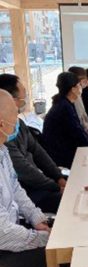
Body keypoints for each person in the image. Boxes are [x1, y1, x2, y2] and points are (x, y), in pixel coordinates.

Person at [0, 89, 68, 267]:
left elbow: (17, 190)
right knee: (65, 259)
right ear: (1, 125)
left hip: (16, 229)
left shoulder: (2, 150)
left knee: (65, 231)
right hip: (4, 252)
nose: (17, 125)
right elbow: (2, 233)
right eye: (14, 120)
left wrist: (37, 218)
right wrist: (41, 238)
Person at [0, 74, 65, 214]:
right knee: (69, 203)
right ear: (9, 101)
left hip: (40, 186)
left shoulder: (19, 124)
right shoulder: (4, 138)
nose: (26, 101)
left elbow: (38, 151)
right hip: (31, 193)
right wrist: (55, 186)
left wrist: (58, 176)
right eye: (23, 98)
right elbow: (25, 171)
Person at [42, 72, 88, 169]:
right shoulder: (64, 107)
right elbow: (77, 133)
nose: (81, 87)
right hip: (62, 156)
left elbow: (78, 130)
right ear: (73, 89)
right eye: (79, 85)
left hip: (63, 149)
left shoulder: (64, 102)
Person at [68, 66, 88, 145]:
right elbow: (80, 127)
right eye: (82, 82)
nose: (82, 86)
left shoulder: (75, 97)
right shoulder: (71, 101)